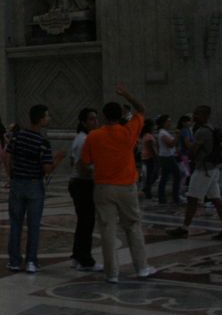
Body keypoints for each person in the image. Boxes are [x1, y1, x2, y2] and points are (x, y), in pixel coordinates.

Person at [81, 85, 156, 283]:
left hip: (103, 187)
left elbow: (86, 162)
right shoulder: (128, 131)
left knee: (107, 230)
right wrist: (127, 94)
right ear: (120, 115)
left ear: (104, 116)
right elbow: (142, 110)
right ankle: (142, 268)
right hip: (126, 186)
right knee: (133, 226)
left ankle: (112, 273)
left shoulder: (94, 136)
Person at [5, 105, 67, 273]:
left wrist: (10, 174)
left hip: (17, 183)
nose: (49, 118)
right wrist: (58, 159)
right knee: (33, 225)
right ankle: (31, 261)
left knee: (16, 224)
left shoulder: (17, 136)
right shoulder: (42, 142)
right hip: (34, 185)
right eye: (47, 116)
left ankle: (14, 261)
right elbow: (47, 169)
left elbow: (7, 156)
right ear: (40, 119)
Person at [167, 105, 222, 240]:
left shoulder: (202, 132)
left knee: (192, 199)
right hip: (213, 169)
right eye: (194, 113)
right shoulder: (211, 128)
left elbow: (192, 151)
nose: (194, 116)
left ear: (205, 115)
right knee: (216, 199)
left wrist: (188, 149)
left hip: (203, 170)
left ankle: (184, 229)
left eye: (197, 114)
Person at [68, 108, 101, 271]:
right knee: (87, 223)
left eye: (96, 118)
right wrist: (98, 172)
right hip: (83, 184)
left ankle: (77, 256)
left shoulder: (82, 137)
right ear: (83, 122)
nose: (96, 122)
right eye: (92, 119)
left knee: (83, 222)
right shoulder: (84, 140)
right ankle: (85, 260)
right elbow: (82, 165)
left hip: (79, 183)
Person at [156, 115, 180, 204]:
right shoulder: (162, 133)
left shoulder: (164, 132)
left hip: (166, 156)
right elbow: (170, 144)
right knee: (177, 175)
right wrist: (177, 136)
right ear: (163, 123)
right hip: (167, 157)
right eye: (168, 121)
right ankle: (175, 197)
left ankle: (162, 197)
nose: (170, 123)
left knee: (165, 177)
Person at [140, 117, 158, 199]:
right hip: (150, 158)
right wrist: (156, 158)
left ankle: (146, 191)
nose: (154, 127)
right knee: (152, 176)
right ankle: (146, 191)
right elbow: (153, 149)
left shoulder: (145, 135)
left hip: (145, 157)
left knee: (149, 176)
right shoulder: (149, 137)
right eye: (153, 126)